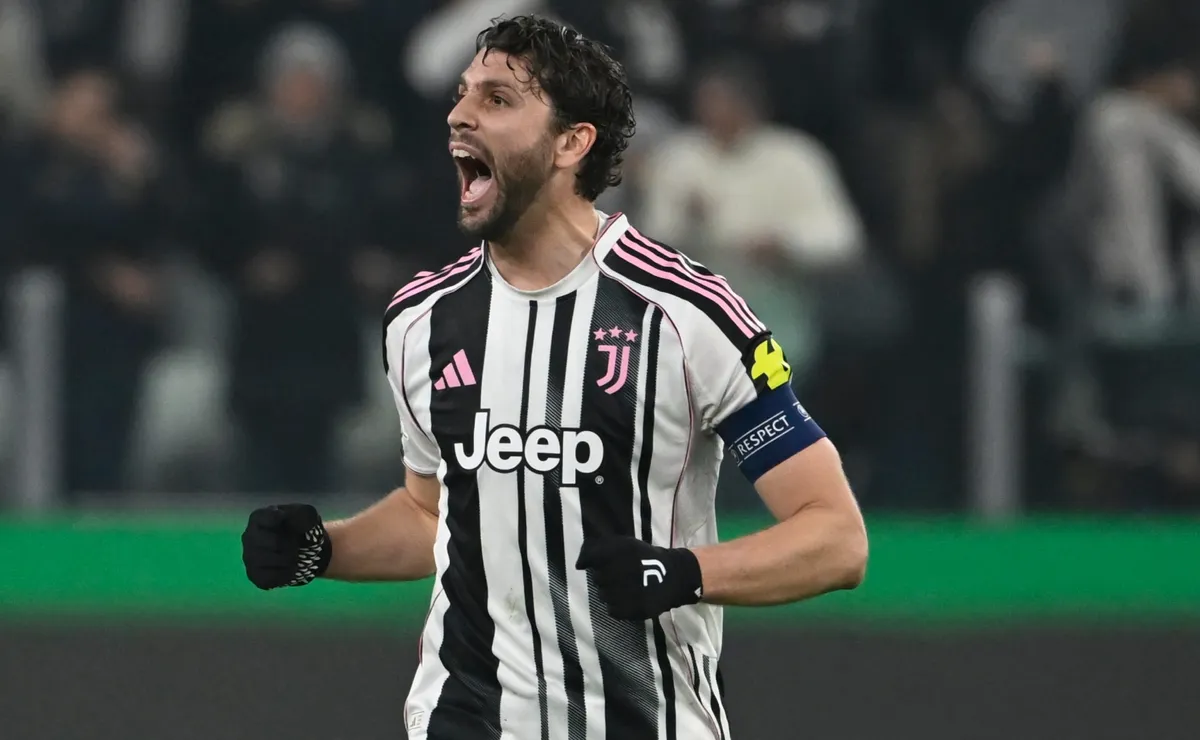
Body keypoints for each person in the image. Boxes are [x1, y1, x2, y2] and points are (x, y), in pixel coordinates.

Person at [240, 15, 868, 739]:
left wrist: (683, 573)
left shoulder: (687, 315)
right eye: (462, 93)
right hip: (466, 718)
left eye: (497, 99)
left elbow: (835, 537)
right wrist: (325, 549)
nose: (460, 114)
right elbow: (435, 516)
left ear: (572, 143)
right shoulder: (420, 321)